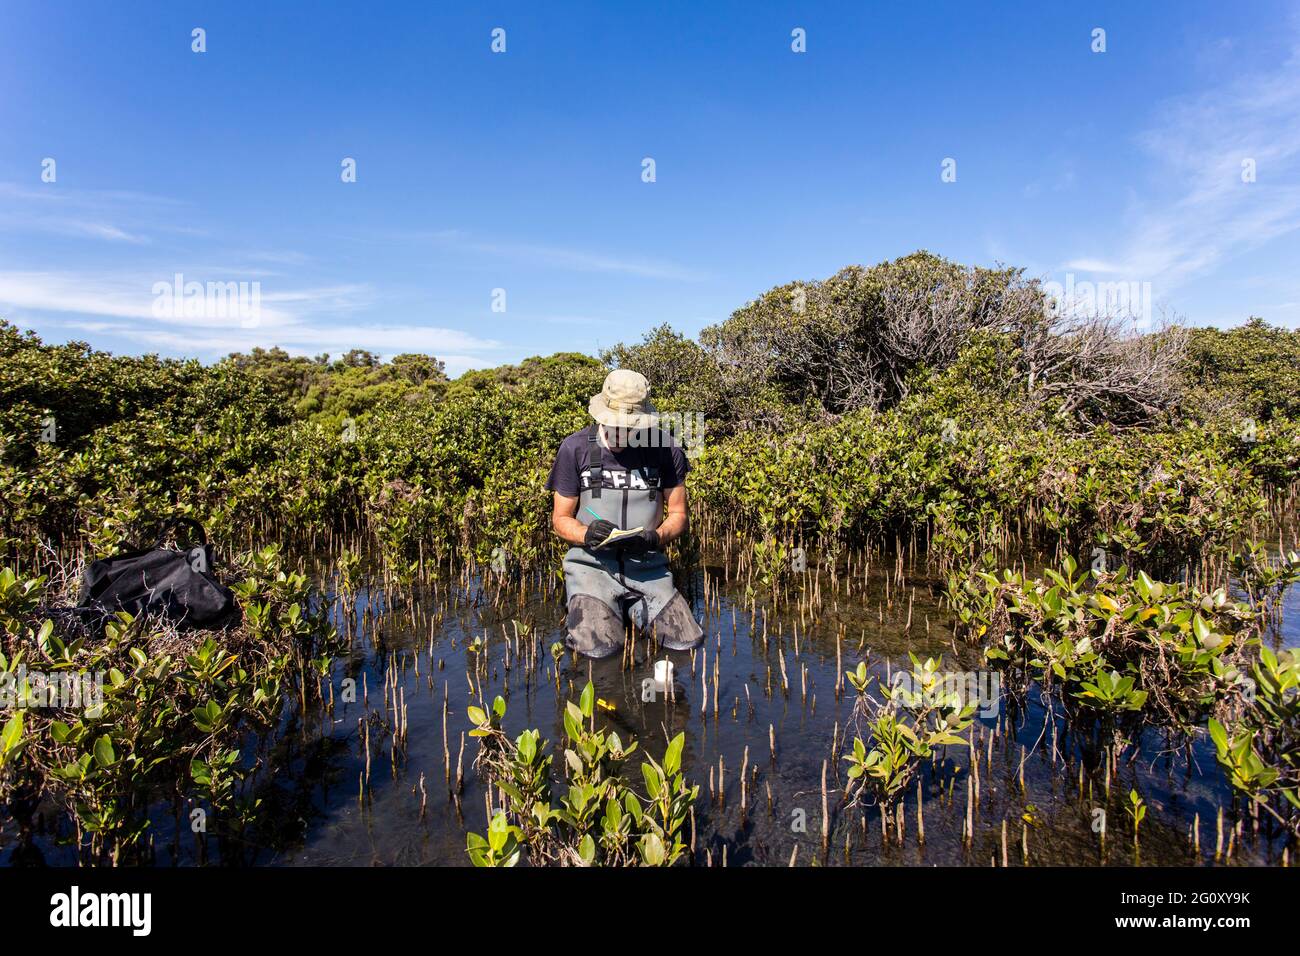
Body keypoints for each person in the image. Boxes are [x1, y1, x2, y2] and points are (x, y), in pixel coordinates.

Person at [545, 369, 704, 659]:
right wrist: (586, 534)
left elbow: (679, 514)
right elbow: (560, 520)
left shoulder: (666, 449)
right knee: (598, 652)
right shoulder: (575, 448)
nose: (620, 432)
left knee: (686, 645)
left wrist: (655, 538)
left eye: (629, 426)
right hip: (591, 567)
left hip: (649, 569)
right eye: (613, 423)